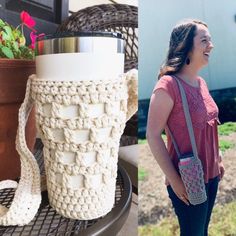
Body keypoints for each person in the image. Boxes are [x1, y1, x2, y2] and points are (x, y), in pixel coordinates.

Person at [146, 19, 225, 236]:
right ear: (186, 46)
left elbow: (208, 126)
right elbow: (152, 135)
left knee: (202, 231)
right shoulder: (168, 86)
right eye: (204, 40)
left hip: (211, 175)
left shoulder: (201, 83)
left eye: (210, 40)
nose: (211, 45)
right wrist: (175, 182)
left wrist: (217, 157)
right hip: (188, 180)